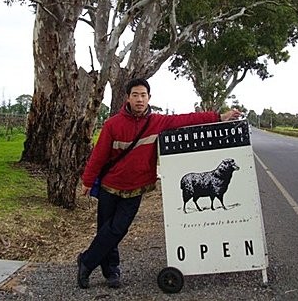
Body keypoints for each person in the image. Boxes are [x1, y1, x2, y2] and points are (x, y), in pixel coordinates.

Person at [77, 78, 241, 289]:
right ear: (127, 98)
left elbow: (187, 119)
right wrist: (88, 181)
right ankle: (111, 271)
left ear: (149, 98)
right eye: (135, 95)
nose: (139, 99)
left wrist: (218, 117)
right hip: (110, 186)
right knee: (105, 230)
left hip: (135, 188)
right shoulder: (112, 125)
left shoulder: (157, 122)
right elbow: (98, 156)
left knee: (117, 229)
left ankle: (86, 262)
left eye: (143, 95)